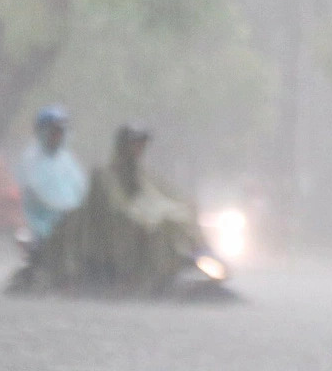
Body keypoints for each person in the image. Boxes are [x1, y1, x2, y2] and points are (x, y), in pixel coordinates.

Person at [40, 123, 204, 292]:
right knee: (158, 232)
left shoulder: (142, 175)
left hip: (131, 241)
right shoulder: (104, 176)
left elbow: (166, 196)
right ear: (123, 145)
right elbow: (119, 208)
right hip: (110, 247)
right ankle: (147, 280)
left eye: (141, 143)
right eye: (134, 143)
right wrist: (149, 219)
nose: (139, 147)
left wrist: (186, 207)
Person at [15, 105, 87, 242]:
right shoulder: (31, 158)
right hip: (41, 226)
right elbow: (40, 193)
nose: (58, 136)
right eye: (53, 132)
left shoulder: (67, 159)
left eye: (61, 132)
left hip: (70, 226)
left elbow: (80, 188)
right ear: (42, 132)